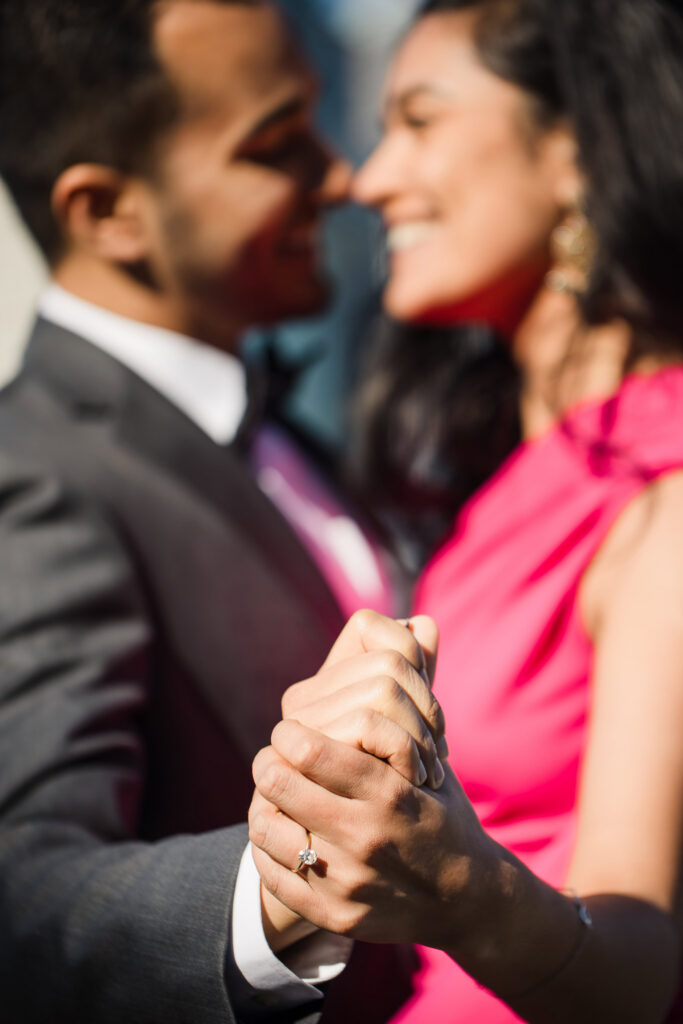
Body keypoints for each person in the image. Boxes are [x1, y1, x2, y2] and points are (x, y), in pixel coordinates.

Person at [0, 1, 449, 1020]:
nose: (339, 178)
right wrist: (289, 883)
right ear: (106, 211)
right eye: (277, 144)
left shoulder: (285, 427)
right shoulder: (31, 474)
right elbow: (21, 891)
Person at [248, 1, 683, 1021]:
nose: (367, 177)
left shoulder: (659, 486)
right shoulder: (524, 470)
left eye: (420, 120)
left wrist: (453, 884)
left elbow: (635, 967)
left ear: (576, 150)